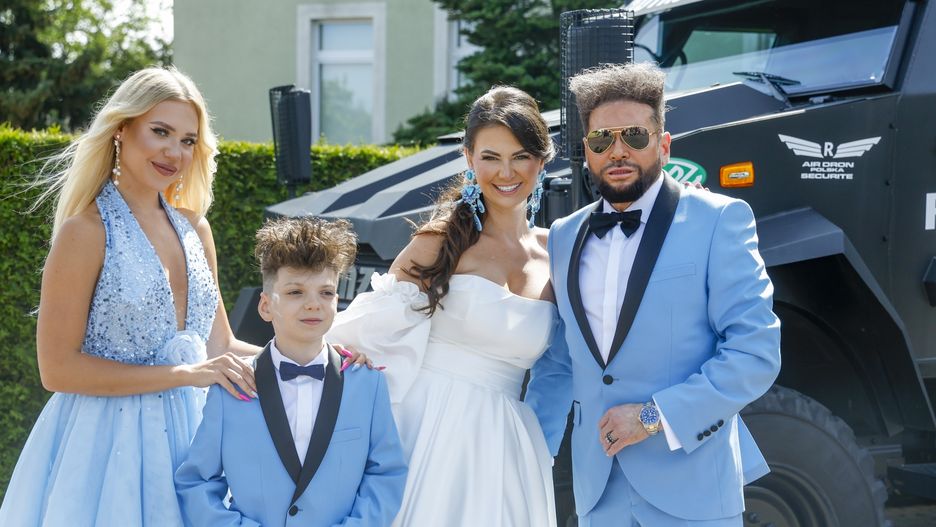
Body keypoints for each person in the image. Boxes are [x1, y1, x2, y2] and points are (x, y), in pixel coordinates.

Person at [0, 67, 264, 526]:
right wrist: (186, 374)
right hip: (105, 451)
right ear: (121, 129)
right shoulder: (85, 232)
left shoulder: (196, 229)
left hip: (195, 442)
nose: (174, 152)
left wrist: (323, 359)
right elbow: (57, 369)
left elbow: (220, 346)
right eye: (160, 132)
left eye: (187, 140)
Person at [526, 62, 782, 526]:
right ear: (587, 152)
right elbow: (560, 363)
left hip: (693, 488)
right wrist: (526, 455)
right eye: (601, 140)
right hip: (597, 492)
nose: (617, 151)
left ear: (663, 144)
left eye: (634, 136)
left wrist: (651, 417)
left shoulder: (719, 220)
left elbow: (754, 353)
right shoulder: (563, 235)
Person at [327, 86, 560, 526]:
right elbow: (357, 332)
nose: (505, 172)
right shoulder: (440, 241)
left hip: (509, 446)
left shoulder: (558, 252)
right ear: (469, 158)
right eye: (490, 157)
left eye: (520, 156)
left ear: (542, 161)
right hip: (426, 430)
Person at [175, 217, 407, 526]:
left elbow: (386, 474)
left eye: (326, 293)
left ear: (337, 301)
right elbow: (196, 481)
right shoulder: (231, 387)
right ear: (266, 306)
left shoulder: (367, 383)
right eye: (296, 292)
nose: (313, 304)